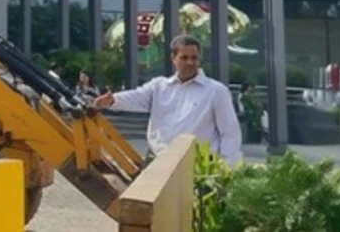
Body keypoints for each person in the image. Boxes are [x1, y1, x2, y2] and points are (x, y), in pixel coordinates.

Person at [93, 34, 242, 165]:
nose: (190, 63)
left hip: (197, 164)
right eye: (184, 57)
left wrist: (228, 165)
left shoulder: (216, 91)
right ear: (173, 59)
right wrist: (112, 101)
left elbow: (230, 132)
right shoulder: (159, 87)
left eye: (194, 58)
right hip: (157, 160)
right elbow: (136, 97)